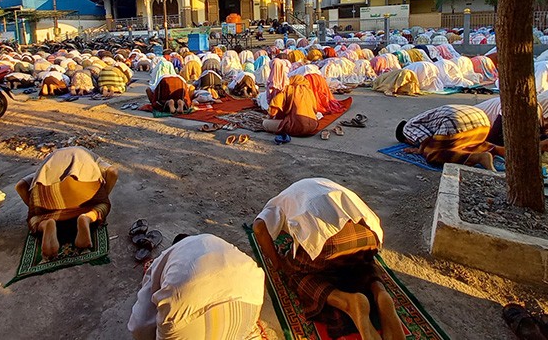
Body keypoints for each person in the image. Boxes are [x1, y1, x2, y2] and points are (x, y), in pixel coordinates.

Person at [252, 178, 404, 340]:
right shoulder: (324, 184)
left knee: (294, 273)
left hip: (329, 242)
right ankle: (380, 293)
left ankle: (349, 302)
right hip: (368, 233)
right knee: (362, 262)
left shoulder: (277, 203)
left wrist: (278, 263)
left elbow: (259, 228)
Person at [127, 234, 266, 340]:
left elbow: (140, 325)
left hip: (184, 297)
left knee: (144, 326)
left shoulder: (167, 256)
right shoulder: (210, 240)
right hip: (252, 288)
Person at [15, 146, 118, 259]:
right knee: (102, 206)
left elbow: (20, 186)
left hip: (48, 194)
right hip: (83, 193)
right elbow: (113, 172)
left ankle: (45, 223)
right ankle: (87, 217)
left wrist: (37, 210)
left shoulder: (49, 161)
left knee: (34, 219)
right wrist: (103, 198)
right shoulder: (90, 156)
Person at [395, 104, 504, 171]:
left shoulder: (407, 128)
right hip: (482, 122)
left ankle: (478, 157)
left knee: (432, 153)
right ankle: (497, 150)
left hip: (456, 122)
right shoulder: (422, 118)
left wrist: (419, 150)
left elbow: (426, 139)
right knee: (466, 145)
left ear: (405, 139)